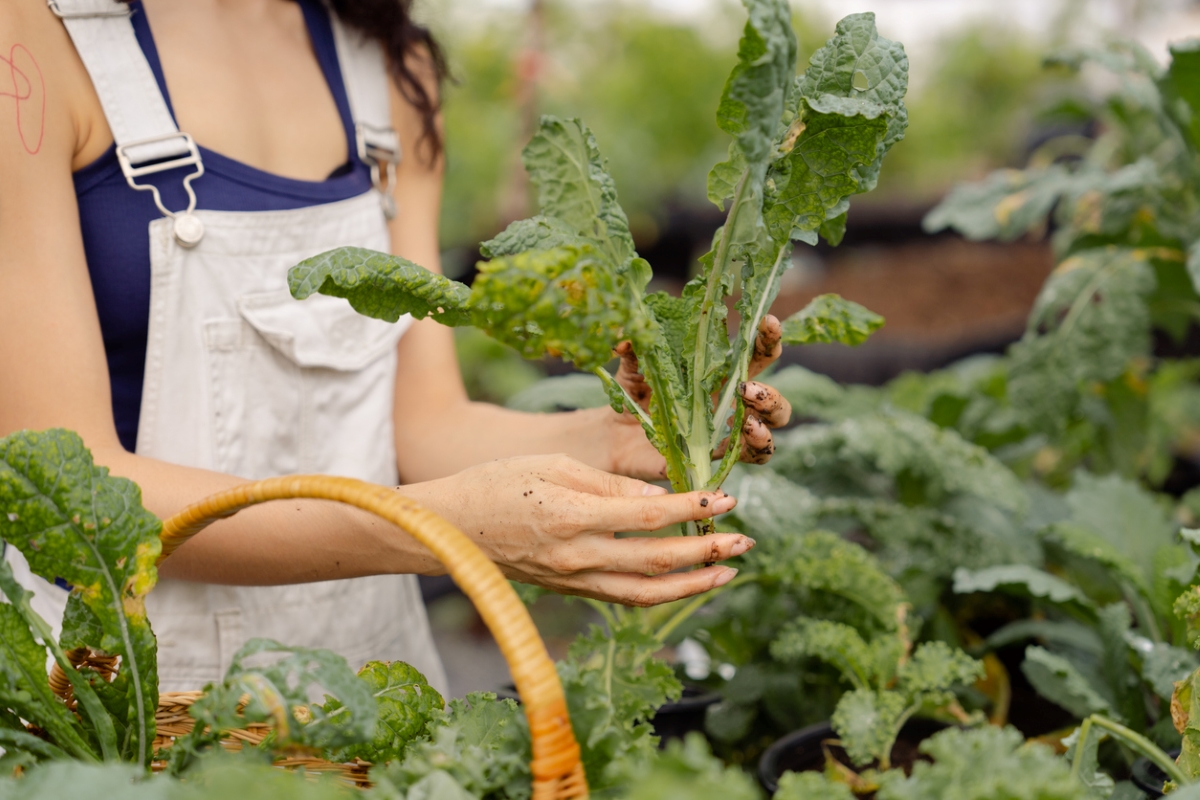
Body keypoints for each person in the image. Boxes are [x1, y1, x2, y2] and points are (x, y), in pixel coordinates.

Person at [0, 0, 791, 692]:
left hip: (372, 683)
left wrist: (615, 441)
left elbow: (420, 425)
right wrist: (439, 530)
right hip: (130, 698)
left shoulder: (386, 64)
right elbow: (71, 493)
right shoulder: (32, 43)